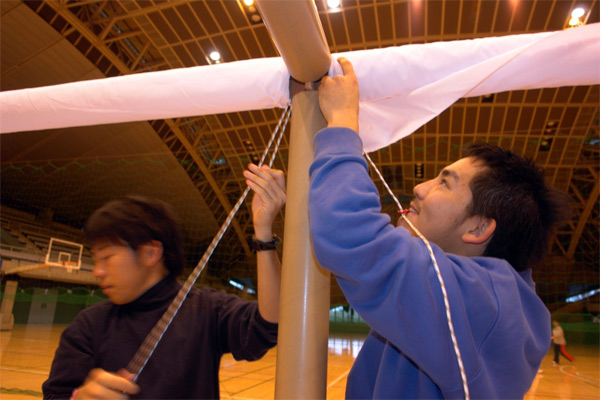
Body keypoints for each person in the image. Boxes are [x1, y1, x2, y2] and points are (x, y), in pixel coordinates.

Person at [309, 57, 571, 399]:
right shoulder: (488, 302)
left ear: (478, 228)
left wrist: (343, 121)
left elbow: (349, 232)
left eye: (444, 183)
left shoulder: (483, 302)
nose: (420, 187)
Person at [42, 164, 285, 399]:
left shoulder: (207, 309)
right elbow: (56, 395)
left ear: (150, 253)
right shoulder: (87, 327)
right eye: (96, 259)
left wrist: (263, 231)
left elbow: (268, 325)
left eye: (107, 257)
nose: (97, 271)